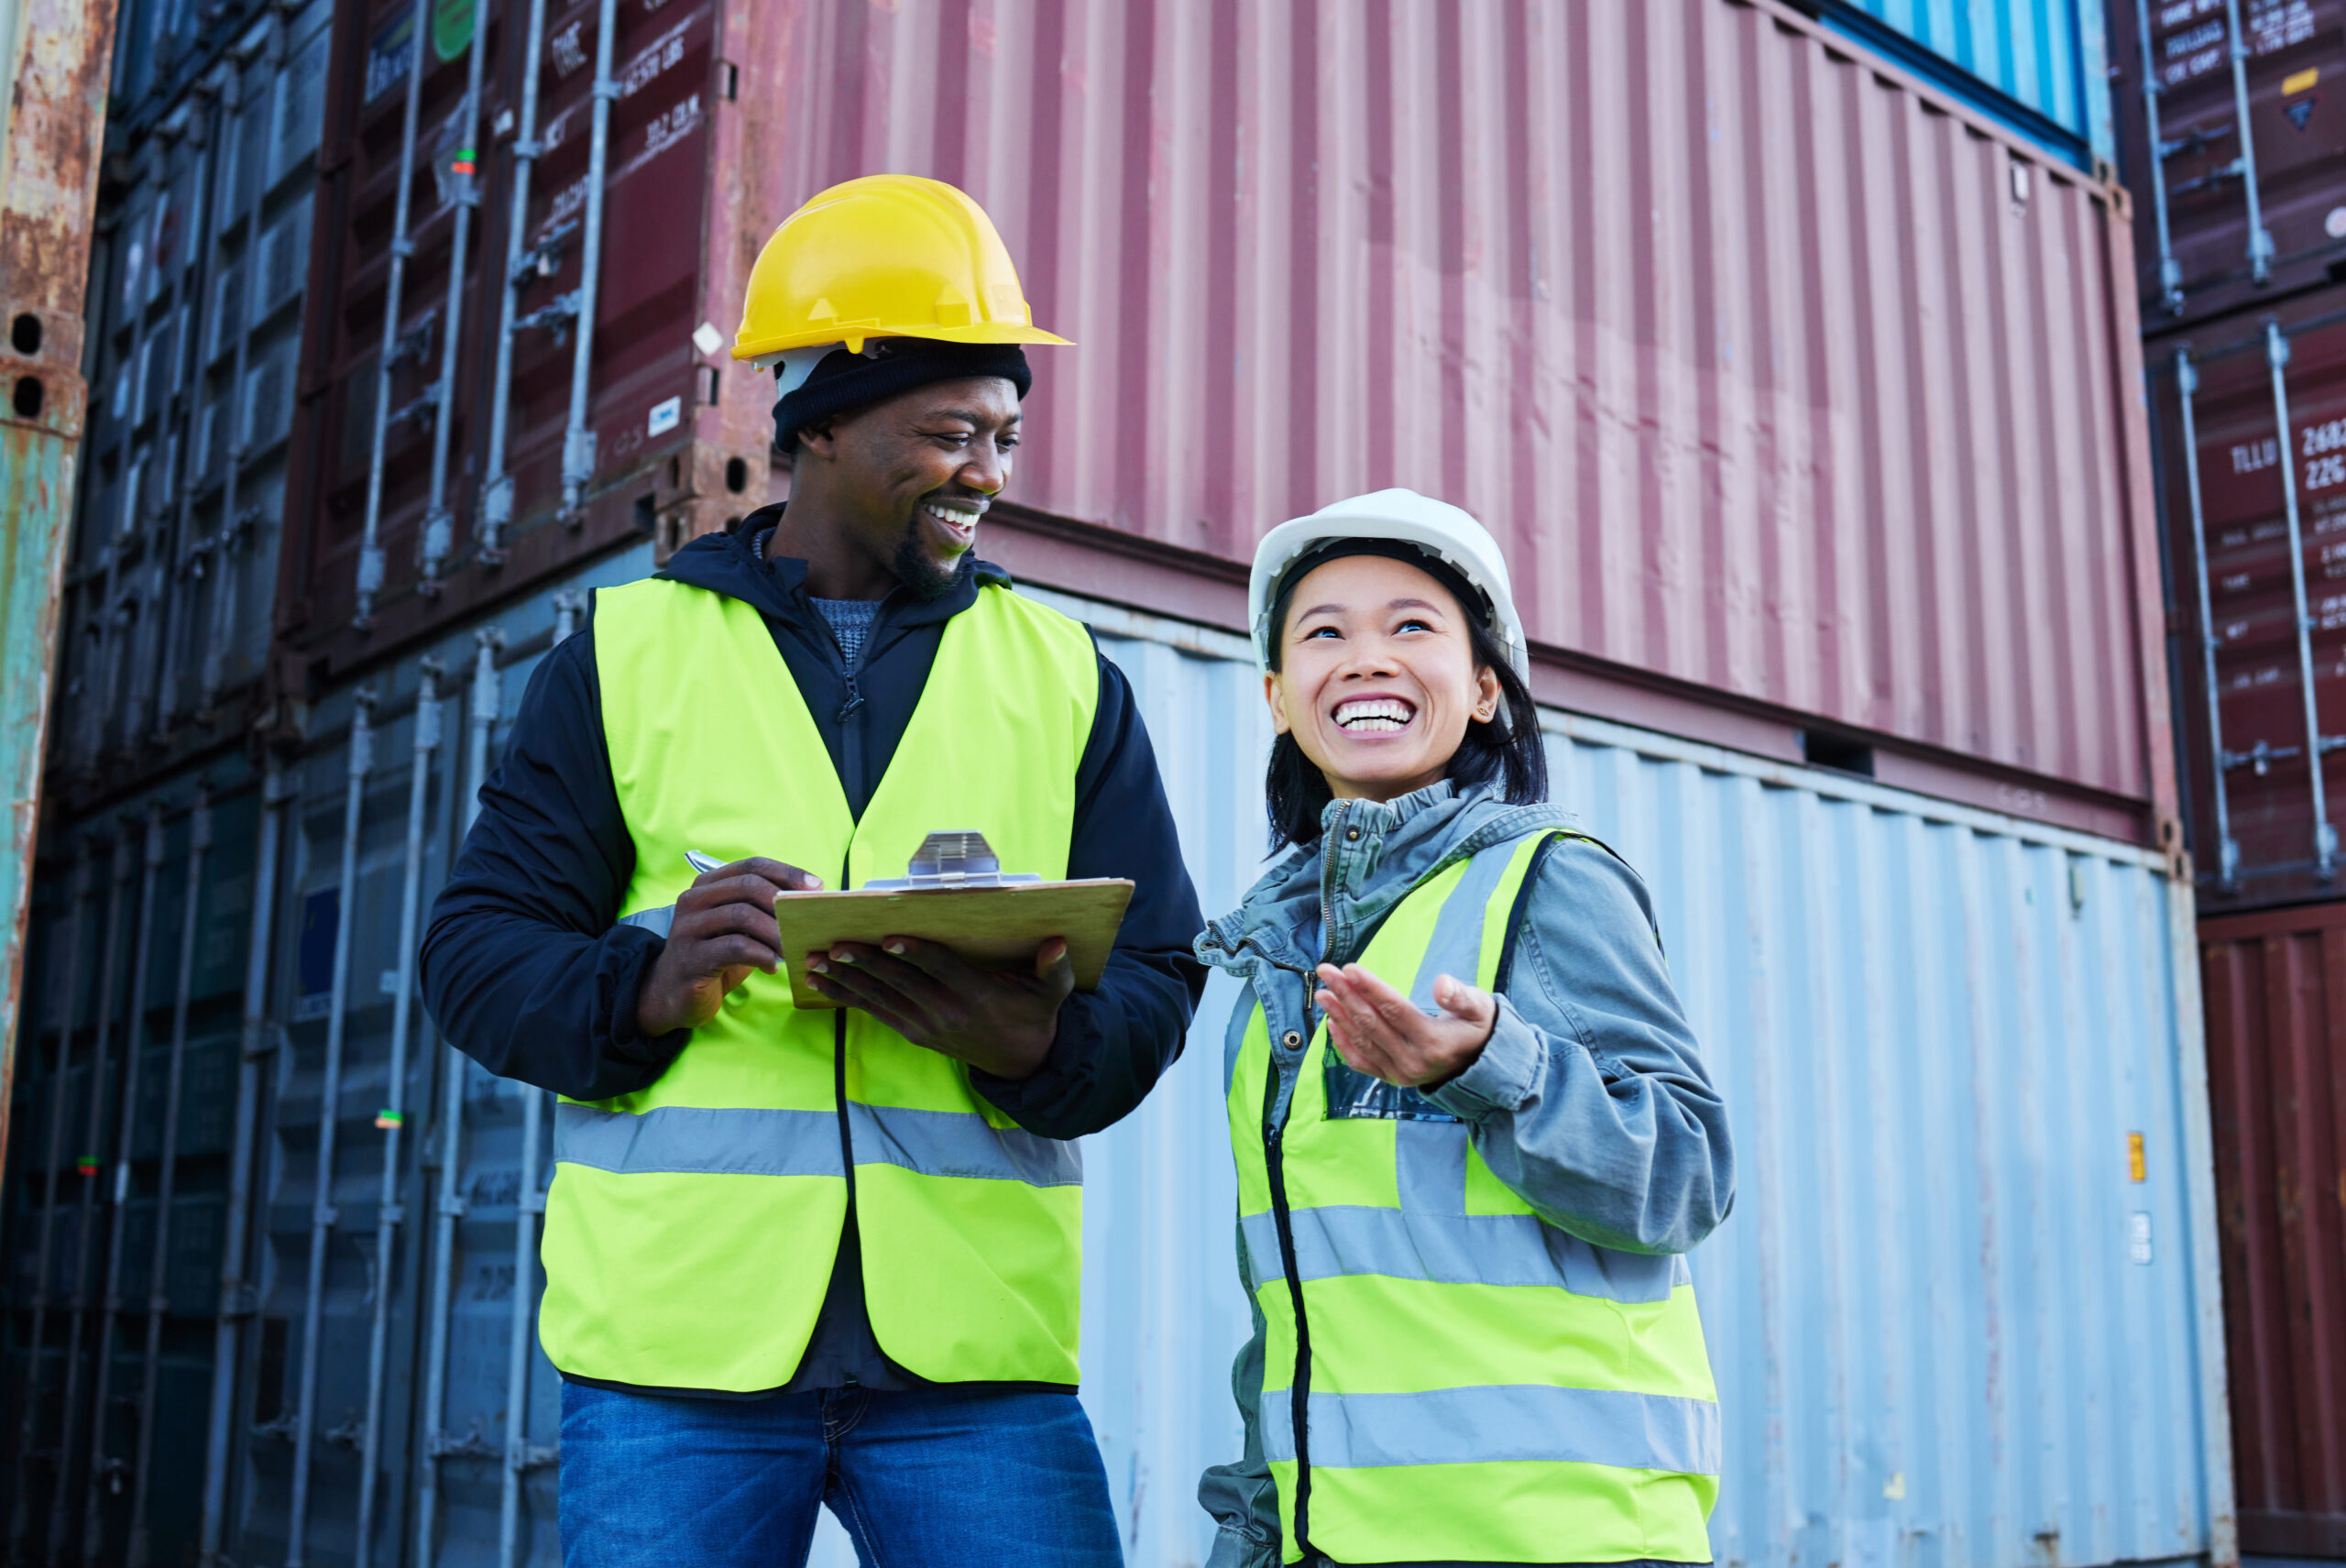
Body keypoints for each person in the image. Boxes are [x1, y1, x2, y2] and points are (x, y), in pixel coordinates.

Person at [421, 174, 1203, 1568]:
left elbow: (1158, 974)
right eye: (950, 432)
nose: (988, 472)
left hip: (975, 1362)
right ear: (821, 424)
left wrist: (1043, 1041)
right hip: (681, 1360)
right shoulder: (623, 655)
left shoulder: (1066, 676)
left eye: (1006, 435)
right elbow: (476, 953)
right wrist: (645, 979)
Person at [1194, 489, 1735, 1568]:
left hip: (1564, 1537)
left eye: (1411, 626)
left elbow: (1686, 1177)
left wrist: (1491, 1068)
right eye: (1324, 633)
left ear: (1486, 687)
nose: (1364, 657)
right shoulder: (1271, 958)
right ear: (1276, 696)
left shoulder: (1549, 880)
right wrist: (1256, 1533)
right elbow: (1302, 1302)